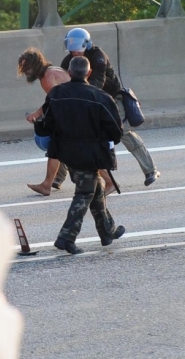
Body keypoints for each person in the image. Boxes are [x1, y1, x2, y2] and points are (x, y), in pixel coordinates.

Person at [40, 56, 125, 254]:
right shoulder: (101, 97)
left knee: (95, 188)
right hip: (91, 154)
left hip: (66, 153)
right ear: (88, 73)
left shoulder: (56, 94)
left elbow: (47, 126)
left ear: (69, 73)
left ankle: (107, 231)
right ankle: (66, 238)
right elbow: (116, 132)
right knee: (85, 193)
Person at [61, 28, 160, 187]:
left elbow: (97, 84)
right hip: (88, 101)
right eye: (72, 50)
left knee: (123, 132)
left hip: (110, 100)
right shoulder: (69, 61)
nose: (74, 54)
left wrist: (78, 97)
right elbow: (63, 81)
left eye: (77, 50)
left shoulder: (99, 57)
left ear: (87, 45)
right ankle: (57, 179)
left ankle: (150, 170)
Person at [17, 47, 115, 196]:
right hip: (79, 111)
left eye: (27, 67)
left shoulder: (48, 77)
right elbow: (56, 99)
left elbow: (56, 101)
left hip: (79, 114)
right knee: (56, 149)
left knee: (85, 152)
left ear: (35, 64)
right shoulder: (50, 71)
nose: (25, 71)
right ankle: (47, 185)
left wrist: (40, 116)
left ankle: (110, 182)